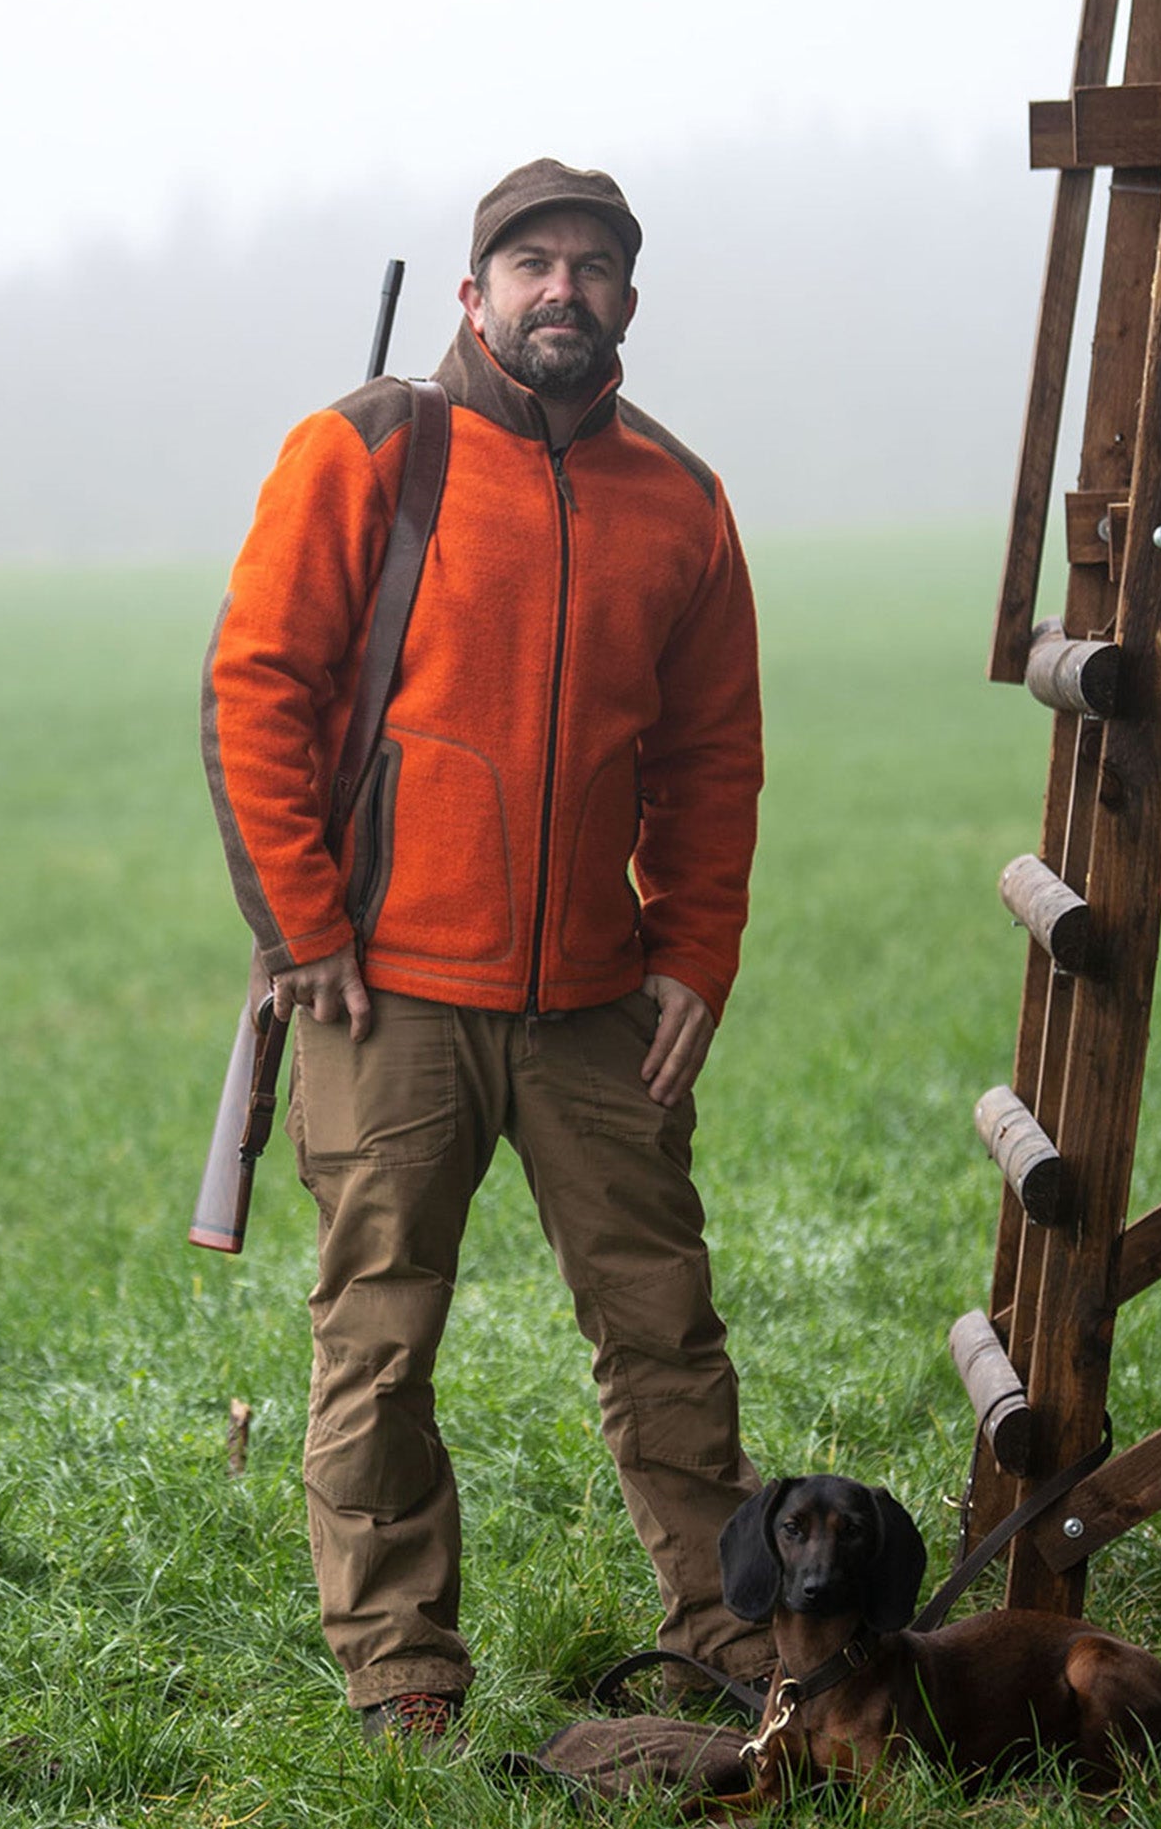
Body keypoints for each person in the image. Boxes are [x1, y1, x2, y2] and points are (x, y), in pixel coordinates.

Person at [201, 158, 772, 1745]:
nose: (562, 289)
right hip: (386, 995)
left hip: (601, 1001)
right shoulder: (365, 448)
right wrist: (305, 926)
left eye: (594, 266)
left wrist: (696, 954)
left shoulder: (683, 496)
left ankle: (733, 1640)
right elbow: (256, 688)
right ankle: (402, 1672)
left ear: (629, 307)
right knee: (377, 1344)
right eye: (531, 262)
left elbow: (713, 759)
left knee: (665, 1327)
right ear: (474, 293)